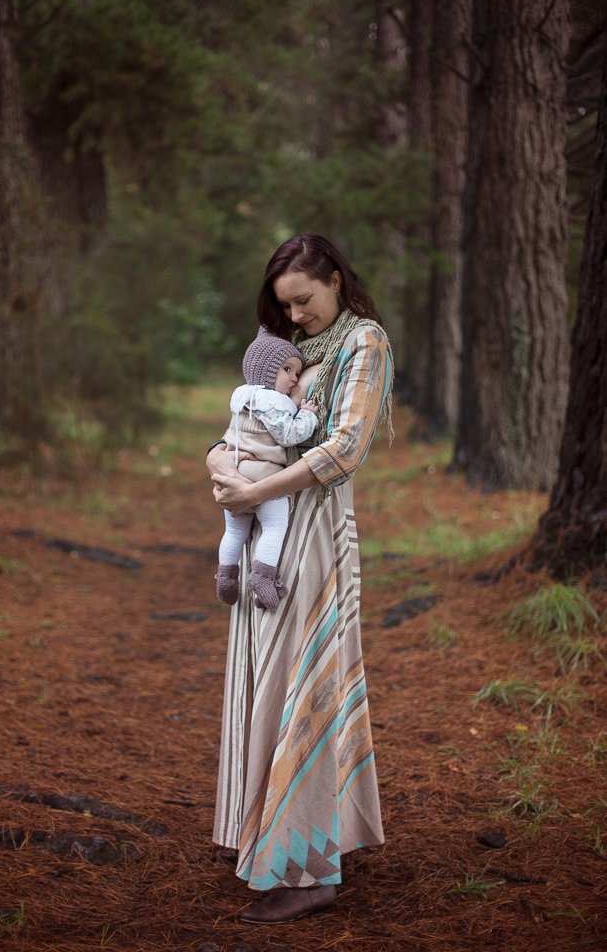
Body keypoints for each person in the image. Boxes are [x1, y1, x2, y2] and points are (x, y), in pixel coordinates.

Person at [206, 233, 394, 925]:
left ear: (336, 280)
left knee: (303, 683)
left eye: (304, 301)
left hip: (313, 537)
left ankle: (309, 866)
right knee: (264, 678)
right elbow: (246, 420)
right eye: (284, 307)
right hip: (267, 533)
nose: (295, 317)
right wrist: (219, 465)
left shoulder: (361, 344)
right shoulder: (290, 352)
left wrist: (254, 494)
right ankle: (264, 834)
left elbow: (344, 448)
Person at [215, 329, 319, 610]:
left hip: (234, 473)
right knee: (274, 526)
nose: (295, 379)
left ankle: (226, 576)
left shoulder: (242, 399)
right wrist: (308, 415)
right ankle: (262, 578)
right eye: (287, 369)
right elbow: (288, 435)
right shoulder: (273, 402)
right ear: (265, 372)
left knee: (234, 532)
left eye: (297, 372)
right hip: (263, 473)